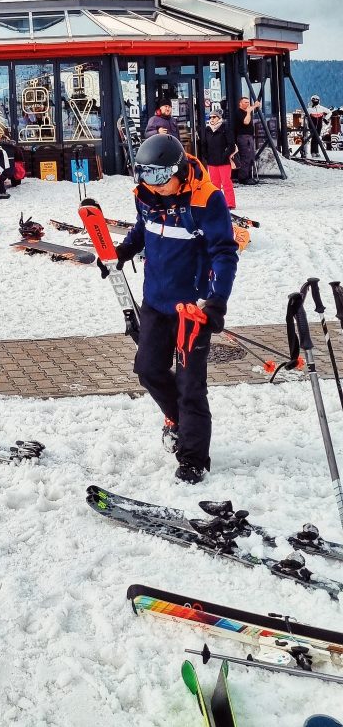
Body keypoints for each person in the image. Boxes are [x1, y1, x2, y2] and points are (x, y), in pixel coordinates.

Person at [110, 133, 239, 484]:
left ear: (179, 171)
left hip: (191, 310)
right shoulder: (147, 196)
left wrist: (216, 301)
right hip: (154, 301)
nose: (154, 185)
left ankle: (194, 457)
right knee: (148, 370)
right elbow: (143, 231)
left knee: (190, 386)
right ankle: (178, 420)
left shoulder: (206, 200)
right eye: (146, 176)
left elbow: (224, 253)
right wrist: (122, 251)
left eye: (160, 177)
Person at [201, 107, 236, 210]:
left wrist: (224, 156)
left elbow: (231, 145)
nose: (212, 119)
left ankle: (230, 203)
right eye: (210, 117)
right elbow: (204, 144)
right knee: (214, 184)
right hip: (212, 162)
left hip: (223, 161)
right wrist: (206, 155)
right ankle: (217, 203)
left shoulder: (225, 129)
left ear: (219, 118)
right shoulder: (207, 129)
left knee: (226, 183)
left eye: (214, 117)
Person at [236, 97, 259, 184]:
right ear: (240, 104)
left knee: (250, 156)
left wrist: (255, 106)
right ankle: (243, 178)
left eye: (248, 102)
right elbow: (246, 122)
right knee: (245, 157)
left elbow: (250, 108)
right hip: (243, 137)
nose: (247, 104)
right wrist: (249, 112)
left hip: (248, 136)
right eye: (245, 102)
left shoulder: (246, 111)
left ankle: (249, 176)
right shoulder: (239, 113)